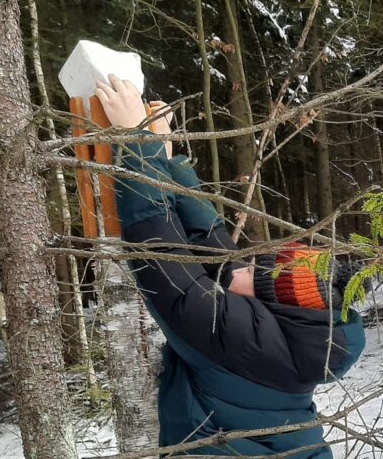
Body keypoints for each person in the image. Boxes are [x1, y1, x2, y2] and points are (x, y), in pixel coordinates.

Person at [95, 75, 366, 458]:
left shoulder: (238, 338)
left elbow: (158, 249)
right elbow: (217, 251)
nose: (241, 268)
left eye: (253, 273)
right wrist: (170, 162)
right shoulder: (305, 339)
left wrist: (138, 141)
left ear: (271, 304)